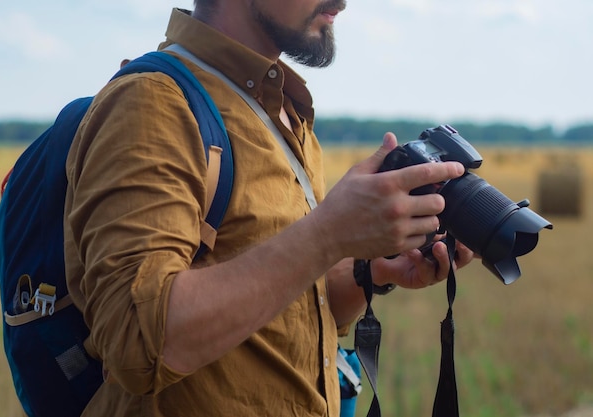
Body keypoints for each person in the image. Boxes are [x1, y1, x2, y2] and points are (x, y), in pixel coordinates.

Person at [63, 1, 476, 416]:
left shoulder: (281, 107)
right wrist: (328, 233)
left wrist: (372, 270)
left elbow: (285, 309)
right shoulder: (151, 103)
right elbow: (136, 342)